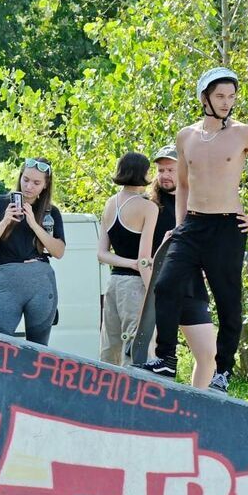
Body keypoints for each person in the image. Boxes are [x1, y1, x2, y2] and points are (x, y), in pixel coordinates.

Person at [142, 68, 248, 394]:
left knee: (227, 300)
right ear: (205, 96)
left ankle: (223, 371)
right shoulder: (186, 136)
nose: (227, 102)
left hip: (228, 226)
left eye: (231, 96)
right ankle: (166, 357)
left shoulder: (244, 133)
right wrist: (179, 226)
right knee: (165, 285)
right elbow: (184, 185)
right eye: (220, 95)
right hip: (193, 223)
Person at [148, 144, 217, 389]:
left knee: (209, 355)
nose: (165, 175)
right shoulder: (150, 206)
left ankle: (196, 406)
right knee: (155, 359)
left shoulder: (199, 205)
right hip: (157, 288)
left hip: (191, 287)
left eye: (170, 169)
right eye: (161, 170)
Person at [0, 158, 66, 345]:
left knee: (39, 349)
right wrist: (5, 221)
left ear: (45, 185)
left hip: (41, 283)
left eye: (36, 183)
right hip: (7, 282)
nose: (29, 187)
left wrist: (34, 224)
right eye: (25, 180)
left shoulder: (51, 212)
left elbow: (58, 252)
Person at [96, 153, 158, 365]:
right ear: (143, 173)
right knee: (137, 349)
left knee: (110, 347)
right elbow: (143, 260)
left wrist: (127, 262)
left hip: (113, 284)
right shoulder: (148, 207)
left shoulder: (109, 204)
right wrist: (154, 294)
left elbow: (102, 254)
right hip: (135, 286)